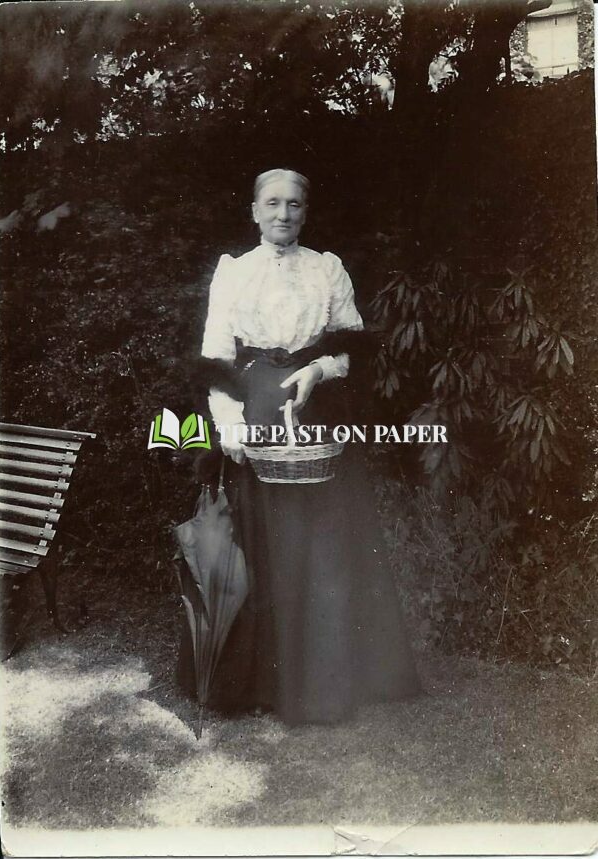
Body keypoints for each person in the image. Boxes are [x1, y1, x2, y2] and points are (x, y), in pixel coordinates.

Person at [177, 168, 421, 725]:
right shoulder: (234, 274)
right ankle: (258, 684)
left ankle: (329, 680)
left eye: (293, 205)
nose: (283, 214)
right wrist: (229, 425)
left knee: (325, 544)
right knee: (263, 543)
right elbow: (216, 355)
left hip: (316, 411)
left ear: (305, 212)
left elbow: (349, 346)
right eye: (272, 203)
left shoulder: (326, 268)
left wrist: (318, 370)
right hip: (257, 405)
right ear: (254, 211)